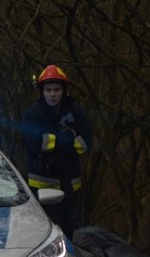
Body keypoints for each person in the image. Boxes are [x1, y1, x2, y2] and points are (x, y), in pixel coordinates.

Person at [20, 64, 92, 239]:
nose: (52, 94)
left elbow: (84, 143)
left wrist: (52, 140)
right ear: (42, 92)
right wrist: (68, 138)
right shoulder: (32, 115)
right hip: (41, 185)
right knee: (44, 233)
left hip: (70, 184)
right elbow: (36, 142)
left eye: (57, 90)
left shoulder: (77, 113)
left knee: (67, 231)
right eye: (48, 90)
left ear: (64, 90)